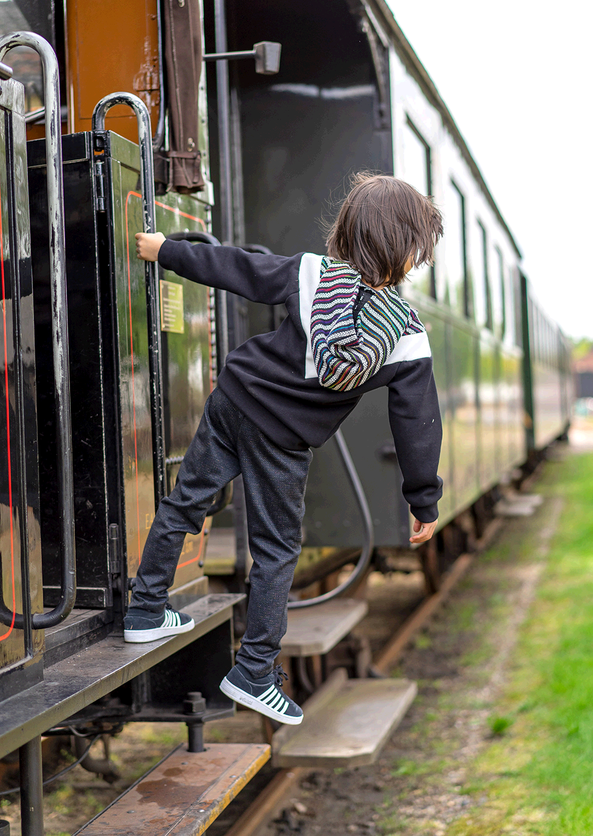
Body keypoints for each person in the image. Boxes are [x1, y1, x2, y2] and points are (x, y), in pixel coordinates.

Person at [124, 172, 444, 726]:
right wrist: (423, 501)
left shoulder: (311, 273)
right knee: (275, 550)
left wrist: (165, 250)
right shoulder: (407, 334)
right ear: (409, 250)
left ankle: (146, 609)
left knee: (185, 503)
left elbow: (235, 269)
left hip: (234, 399)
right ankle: (253, 671)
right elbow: (417, 424)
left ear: (348, 232)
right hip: (282, 438)